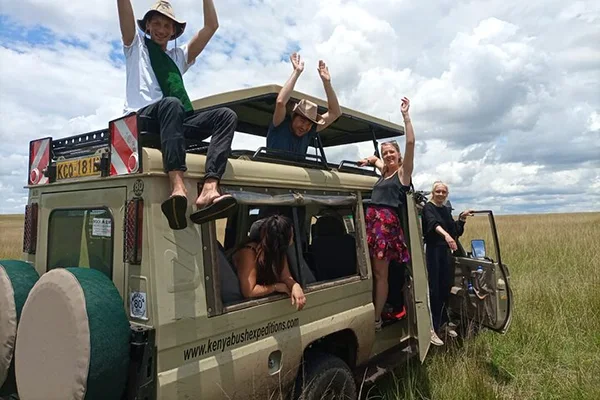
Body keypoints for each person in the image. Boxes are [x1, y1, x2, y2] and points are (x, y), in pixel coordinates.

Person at [117, 0, 238, 230]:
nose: (162, 30)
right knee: (171, 104)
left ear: (173, 31)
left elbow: (211, 26)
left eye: (167, 26)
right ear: (148, 27)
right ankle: (177, 186)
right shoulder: (136, 47)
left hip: (173, 119)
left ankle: (210, 188)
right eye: (157, 24)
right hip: (143, 119)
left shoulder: (177, 57)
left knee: (226, 115)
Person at [357, 97, 415, 331]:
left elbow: (410, 142)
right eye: (385, 152)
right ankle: (375, 311)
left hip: (385, 228)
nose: (388, 155)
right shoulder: (384, 172)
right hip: (372, 226)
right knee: (372, 272)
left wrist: (405, 117)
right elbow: (376, 160)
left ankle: (377, 318)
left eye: (392, 152)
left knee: (381, 275)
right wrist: (369, 160)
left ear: (399, 155)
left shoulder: (402, 174)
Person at [422, 181, 474, 345]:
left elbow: (454, 230)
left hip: (445, 252)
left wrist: (462, 218)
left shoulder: (445, 209)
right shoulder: (428, 208)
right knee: (434, 288)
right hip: (433, 251)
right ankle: (434, 326)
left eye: (444, 192)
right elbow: (433, 224)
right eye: (438, 191)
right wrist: (446, 236)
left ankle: (444, 323)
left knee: (445, 287)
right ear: (433, 192)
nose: (441, 194)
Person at [266, 53, 342, 155]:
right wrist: (296, 72)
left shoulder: (309, 132)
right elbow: (280, 102)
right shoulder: (279, 124)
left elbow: (335, 113)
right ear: (293, 116)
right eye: (302, 120)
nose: (304, 127)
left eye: (309, 124)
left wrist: (327, 83)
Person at [231, 215, 307, 310]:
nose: (293, 237)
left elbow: (285, 277)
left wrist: (295, 286)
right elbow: (249, 291)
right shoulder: (249, 252)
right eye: (291, 234)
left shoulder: (278, 252)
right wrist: (275, 287)